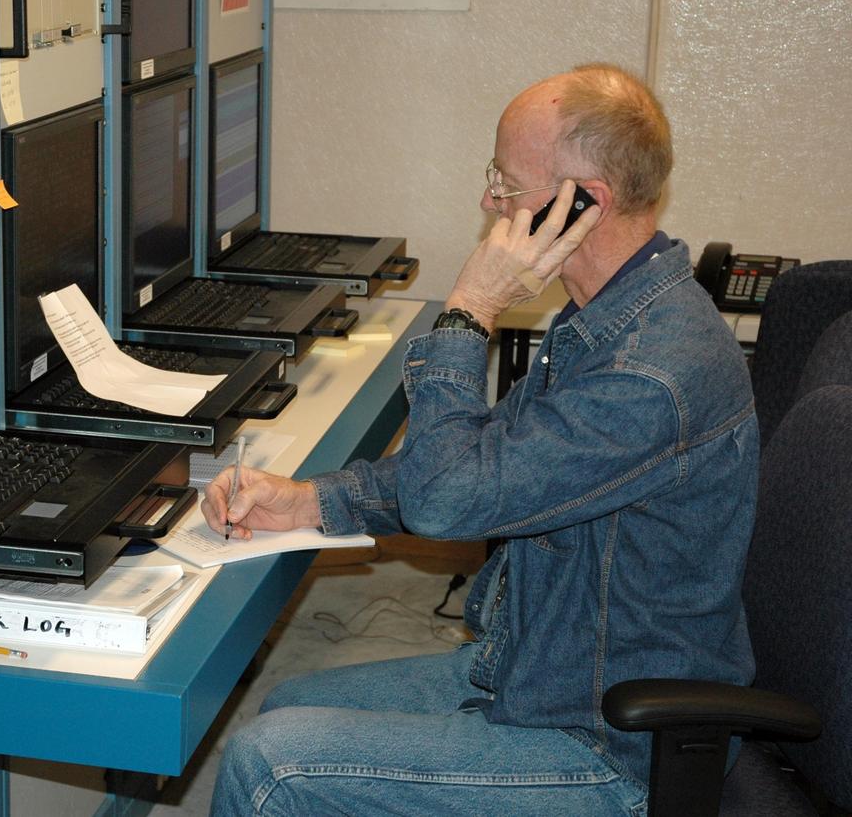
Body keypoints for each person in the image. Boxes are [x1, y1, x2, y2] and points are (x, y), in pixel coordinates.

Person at [201, 63, 757, 815]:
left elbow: (447, 500)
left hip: (604, 743)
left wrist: (471, 309)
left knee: (271, 765)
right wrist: (307, 501)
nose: (488, 201)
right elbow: (487, 463)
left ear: (583, 203)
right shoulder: (611, 316)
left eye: (507, 182)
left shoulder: (650, 372)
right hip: (532, 668)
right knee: (287, 703)